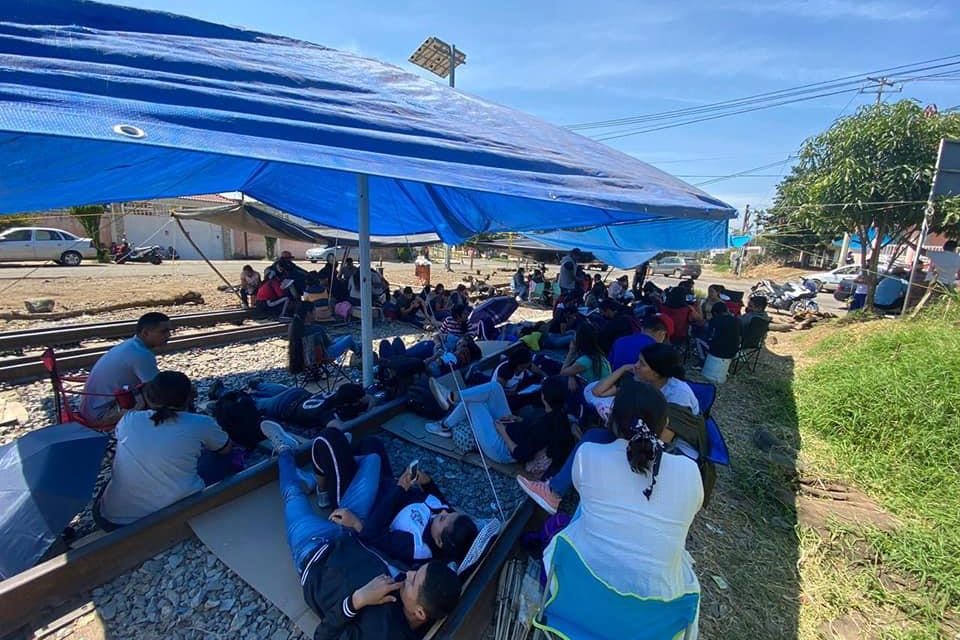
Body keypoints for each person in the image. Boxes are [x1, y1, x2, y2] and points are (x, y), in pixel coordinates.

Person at [520, 383, 703, 638]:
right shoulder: (690, 473)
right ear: (666, 425)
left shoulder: (588, 454)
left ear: (612, 420)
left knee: (584, 512)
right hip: (655, 622)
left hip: (579, 604)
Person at [260, 422, 462, 639]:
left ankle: (284, 451)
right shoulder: (420, 591)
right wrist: (357, 525)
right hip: (350, 533)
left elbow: (323, 635)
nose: (409, 573)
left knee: (292, 495)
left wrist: (357, 600)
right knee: (372, 455)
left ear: (419, 612)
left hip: (313, 551)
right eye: (415, 571)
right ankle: (319, 477)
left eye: (413, 580)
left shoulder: (383, 631)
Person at [318, 428, 479, 567]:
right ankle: (344, 462)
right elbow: (437, 497)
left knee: (328, 439)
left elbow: (375, 537)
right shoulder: (450, 520)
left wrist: (355, 523)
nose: (444, 513)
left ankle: (324, 488)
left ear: (439, 542)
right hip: (388, 486)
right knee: (372, 443)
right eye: (450, 513)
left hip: (365, 505)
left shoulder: (417, 547)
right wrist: (426, 481)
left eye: (443, 519)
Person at [95, 371, 234, 530]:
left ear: (148, 397)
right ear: (189, 397)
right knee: (216, 456)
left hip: (108, 518)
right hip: (164, 517)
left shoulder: (128, 419)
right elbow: (225, 449)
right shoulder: (201, 423)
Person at [426, 375, 573, 468]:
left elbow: (520, 454)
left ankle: (444, 425)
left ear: (544, 397)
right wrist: (518, 419)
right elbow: (533, 434)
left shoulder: (546, 425)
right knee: (495, 388)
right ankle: (452, 397)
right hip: (512, 429)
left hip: (502, 450)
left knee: (473, 402)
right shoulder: (557, 413)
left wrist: (503, 433)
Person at [79, 312, 171, 428]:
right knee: (166, 396)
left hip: (91, 409)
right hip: (101, 415)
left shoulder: (130, 345)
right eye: (163, 331)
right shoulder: (141, 354)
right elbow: (158, 389)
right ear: (146, 333)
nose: (169, 335)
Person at [590, 342, 700, 418]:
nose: (636, 365)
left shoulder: (678, 394)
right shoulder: (642, 379)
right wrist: (623, 368)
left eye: (642, 363)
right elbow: (598, 392)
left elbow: (669, 434)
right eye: (638, 360)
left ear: (656, 373)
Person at [288, 302, 362, 375]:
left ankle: (359, 349)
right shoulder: (316, 329)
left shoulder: (294, 329)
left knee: (341, 338)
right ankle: (360, 354)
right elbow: (328, 344)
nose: (315, 313)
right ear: (308, 313)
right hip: (325, 356)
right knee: (349, 338)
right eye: (314, 311)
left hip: (306, 360)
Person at [700, 302, 740, 384]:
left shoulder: (715, 320)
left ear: (715, 313)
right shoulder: (737, 320)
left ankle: (701, 361)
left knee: (698, 339)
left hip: (717, 351)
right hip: (733, 352)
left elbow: (709, 335)